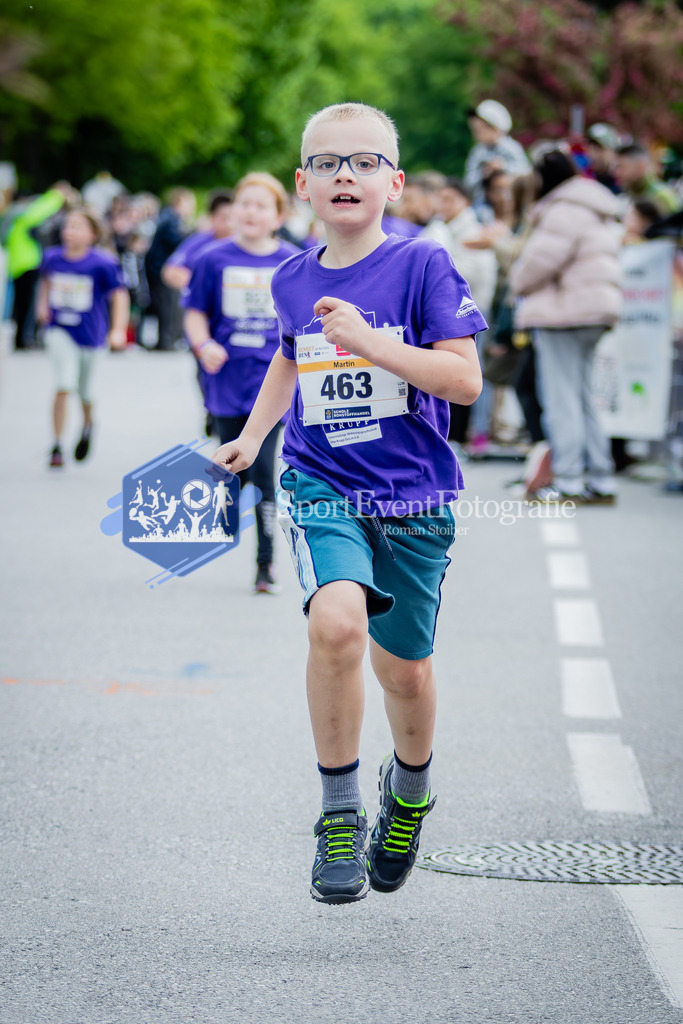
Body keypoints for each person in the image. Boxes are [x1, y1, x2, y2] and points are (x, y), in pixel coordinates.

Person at [211, 102, 486, 904]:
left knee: (405, 672)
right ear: (303, 185)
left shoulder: (423, 265)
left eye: (365, 162)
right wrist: (253, 437)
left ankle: (409, 793)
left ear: (392, 184)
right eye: (328, 162)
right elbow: (288, 359)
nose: (345, 174)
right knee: (335, 626)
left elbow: (463, 381)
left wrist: (371, 342)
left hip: (412, 496)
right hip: (322, 480)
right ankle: (339, 812)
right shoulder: (291, 277)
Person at [185, 173, 299, 593]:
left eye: (260, 205)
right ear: (232, 211)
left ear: (278, 216)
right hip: (225, 381)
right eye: (243, 203)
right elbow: (195, 312)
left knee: (265, 471)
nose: (250, 212)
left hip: (273, 385)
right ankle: (228, 502)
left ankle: (265, 563)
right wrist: (204, 345)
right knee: (231, 464)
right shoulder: (212, 258)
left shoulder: (293, 261)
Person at [509, 146, 622, 503]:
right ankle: (601, 479)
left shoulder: (563, 208)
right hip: (594, 311)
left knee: (561, 398)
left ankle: (570, 480)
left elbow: (541, 261)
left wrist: (515, 281)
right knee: (584, 397)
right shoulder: (594, 204)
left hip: (565, 314)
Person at [36, 207, 129, 467]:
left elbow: (119, 295)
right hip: (59, 329)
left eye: (77, 227)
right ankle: (57, 444)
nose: (69, 231)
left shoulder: (103, 262)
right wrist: (42, 306)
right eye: (67, 226)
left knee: (86, 391)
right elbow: (46, 281)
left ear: (92, 234)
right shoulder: (52, 257)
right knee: (63, 383)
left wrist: (118, 330)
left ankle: (88, 424)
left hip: (91, 334)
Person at [144, 187, 196, 350]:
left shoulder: (168, 218)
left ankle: (167, 340)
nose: (191, 207)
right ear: (179, 202)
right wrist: (196, 234)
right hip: (161, 270)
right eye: (189, 203)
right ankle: (166, 342)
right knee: (168, 307)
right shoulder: (172, 220)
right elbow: (178, 242)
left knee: (167, 307)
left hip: (158, 269)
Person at [464, 100, 530, 209]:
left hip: (512, 201)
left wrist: (503, 167)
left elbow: (525, 173)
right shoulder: (477, 152)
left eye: (480, 129)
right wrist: (483, 173)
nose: (476, 134)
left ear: (494, 127)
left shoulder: (511, 147)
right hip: (483, 204)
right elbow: (468, 182)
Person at [614, 143, 680, 218]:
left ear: (640, 167)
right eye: (616, 168)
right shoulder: (628, 195)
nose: (616, 173)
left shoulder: (661, 197)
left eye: (622, 167)